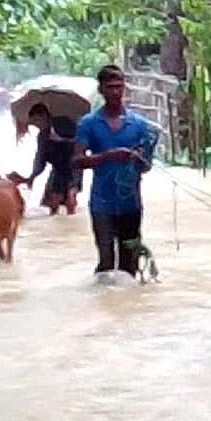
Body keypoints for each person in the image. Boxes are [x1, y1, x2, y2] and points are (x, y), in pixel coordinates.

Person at [74, 65, 155, 276]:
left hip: (131, 203)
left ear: (124, 88)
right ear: (101, 89)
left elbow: (146, 167)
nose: (116, 92)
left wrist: (139, 160)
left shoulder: (139, 125)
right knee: (106, 263)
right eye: (110, 87)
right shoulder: (88, 124)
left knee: (130, 265)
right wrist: (107, 156)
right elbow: (77, 160)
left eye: (119, 87)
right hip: (102, 204)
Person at [18, 103, 79, 215]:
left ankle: (72, 215)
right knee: (52, 203)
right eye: (34, 122)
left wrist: (62, 140)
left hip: (74, 165)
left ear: (45, 116)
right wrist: (32, 177)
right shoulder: (42, 136)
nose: (36, 125)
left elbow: (80, 142)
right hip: (58, 169)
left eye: (37, 120)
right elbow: (40, 160)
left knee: (70, 199)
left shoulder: (64, 122)